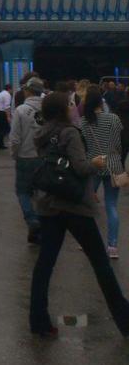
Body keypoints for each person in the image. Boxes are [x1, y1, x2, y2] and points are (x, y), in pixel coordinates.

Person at [29, 92, 129, 338]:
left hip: (49, 204)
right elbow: (81, 168)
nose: (73, 107)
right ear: (63, 109)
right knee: (100, 263)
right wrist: (96, 163)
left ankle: (38, 320)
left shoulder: (41, 133)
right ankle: (124, 319)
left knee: (45, 264)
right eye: (70, 104)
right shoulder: (70, 132)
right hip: (74, 205)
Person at [80, 86, 126, 259]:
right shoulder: (113, 118)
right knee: (111, 206)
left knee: (87, 204)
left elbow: (84, 146)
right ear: (101, 101)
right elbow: (118, 143)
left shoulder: (84, 122)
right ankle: (112, 246)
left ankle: (87, 241)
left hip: (93, 164)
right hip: (113, 165)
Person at [9, 77, 46, 244]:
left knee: (23, 191)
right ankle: (41, 223)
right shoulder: (47, 109)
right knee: (41, 192)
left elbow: (15, 138)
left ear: (28, 91)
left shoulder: (21, 110)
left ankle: (32, 220)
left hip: (25, 156)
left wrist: (14, 154)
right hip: (43, 157)